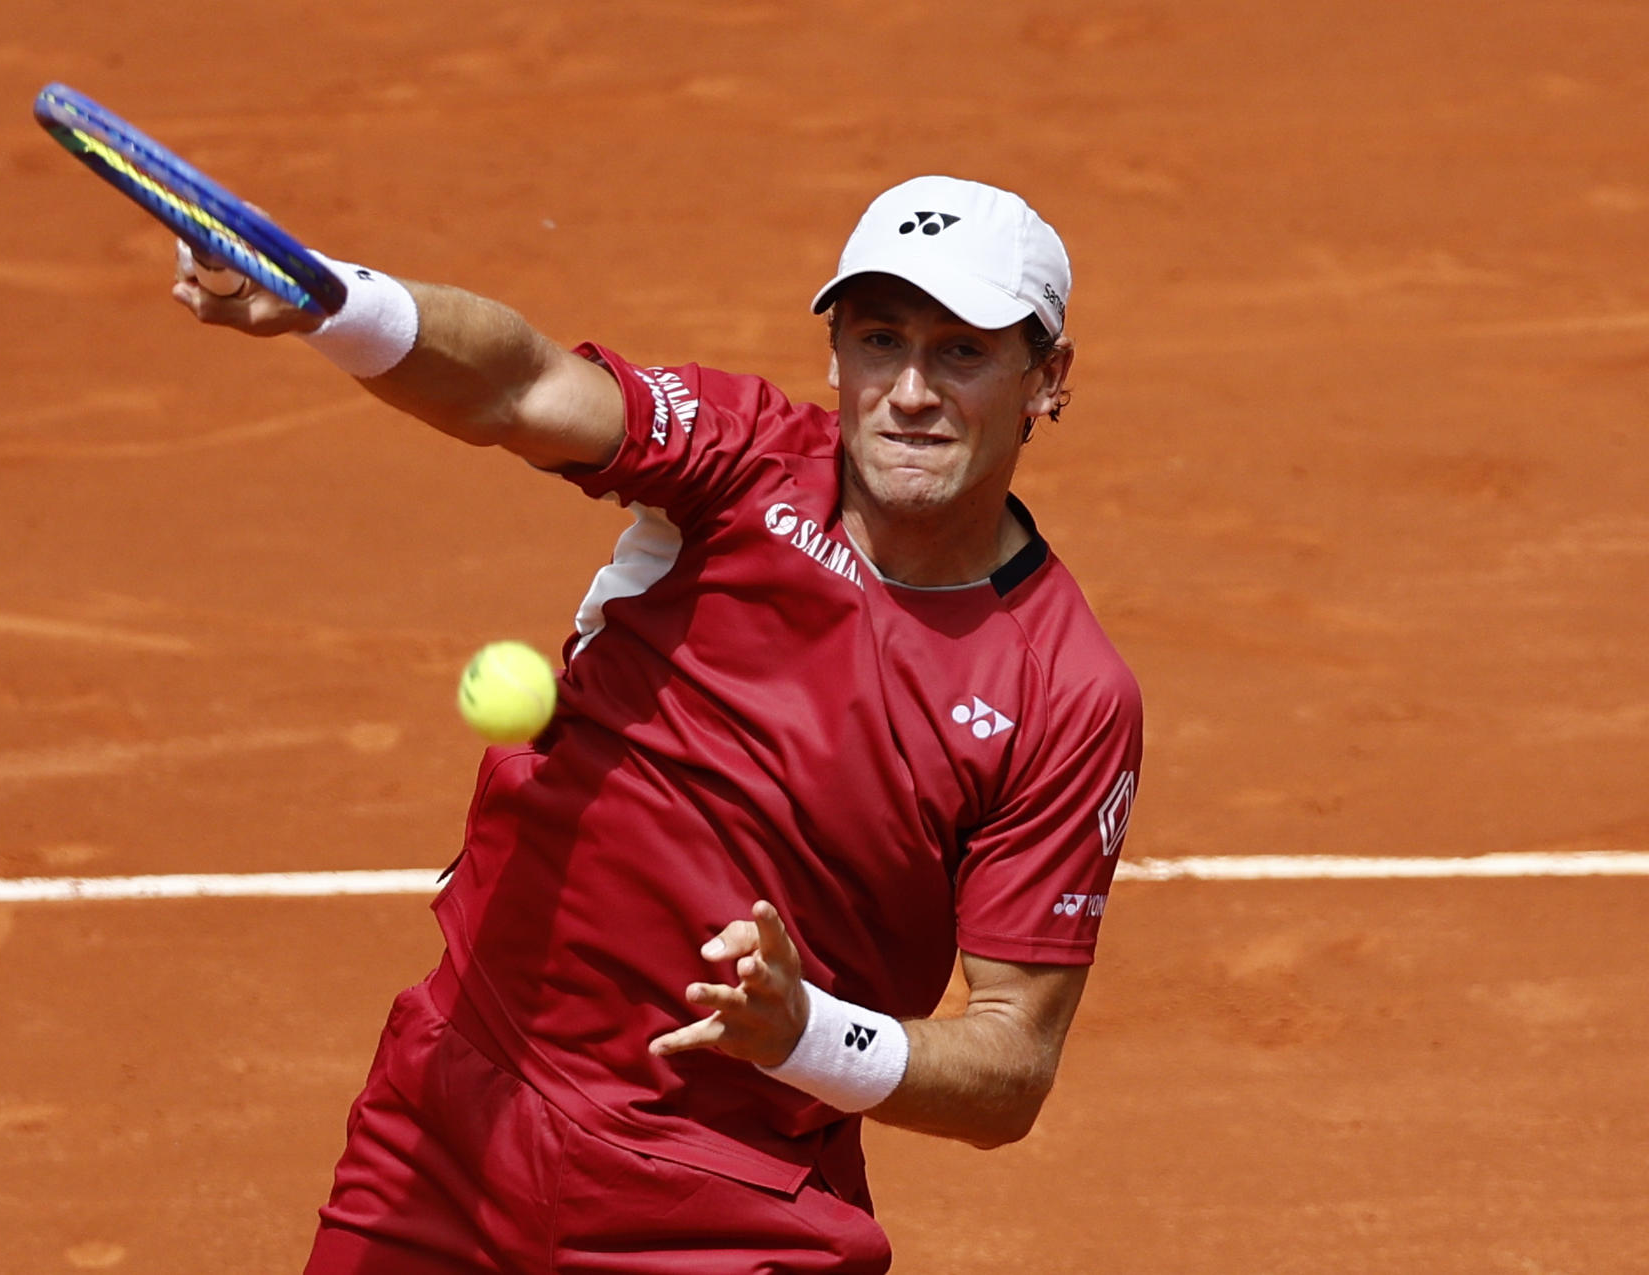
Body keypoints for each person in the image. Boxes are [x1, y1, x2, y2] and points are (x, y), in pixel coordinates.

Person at [173, 174, 1143, 1274]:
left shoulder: (1066, 693)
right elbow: (520, 386)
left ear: (1046, 380)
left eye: (961, 352)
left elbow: (1011, 1069)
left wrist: (807, 1034)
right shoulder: (741, 463)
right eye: (880, 341)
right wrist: (332, 302)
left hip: (722, 1206)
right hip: (456, 1115)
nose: (909, 391)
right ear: (837, 355)